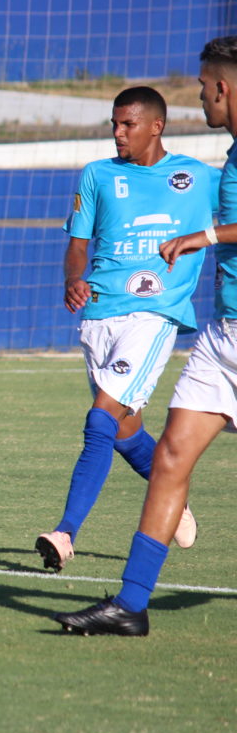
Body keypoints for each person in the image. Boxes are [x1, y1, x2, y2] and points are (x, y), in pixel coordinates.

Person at [54, 38, 237, 636]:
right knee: (168, 460)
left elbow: (215, 230)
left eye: (206, 85)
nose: (202, 95)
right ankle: (130, 607)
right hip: (221, 335)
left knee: (112, 424)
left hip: (182, 323)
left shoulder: (203, 170)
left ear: (225, 88)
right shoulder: (230, 157)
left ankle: (69, 533)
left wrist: (201, 239)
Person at [35, 86, 217, 575]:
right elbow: (78, 243)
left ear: (156, 126)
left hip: (153, 313)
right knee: (123, 429)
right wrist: (73, 278)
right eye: (114, 125)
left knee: (100, 419)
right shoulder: (97, 175)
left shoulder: (198, 178)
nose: (118, 134)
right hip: (99, 314)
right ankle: (174, 505)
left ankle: (64, 533)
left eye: (127, 125)